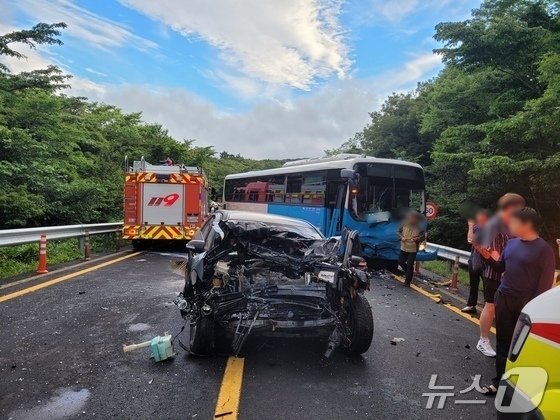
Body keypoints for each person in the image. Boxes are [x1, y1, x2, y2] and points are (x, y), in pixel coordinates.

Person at [475, 207, 555, 395]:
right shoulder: (511, 244)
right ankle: (498, 382)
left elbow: (543, 288)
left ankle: (520, 386)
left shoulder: (544, 250)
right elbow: (500, 266)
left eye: (515, 221)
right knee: (503, 342)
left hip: (526, 303)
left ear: (527, 224)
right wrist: (486, 256)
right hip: (504, 298)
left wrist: (534, 310)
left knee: (522, 346)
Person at [475, 193, 525, 357]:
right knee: (491, 305)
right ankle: (483, 341)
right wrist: (503, 268)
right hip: (495, 272)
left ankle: (509, 343)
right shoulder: (495, 224)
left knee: (509, 308)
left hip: (511, 272)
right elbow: (492, 250)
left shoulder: (512, 224)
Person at [461, 209, 491, 314]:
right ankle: (471, 305)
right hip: (474, 259)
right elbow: (469, 240)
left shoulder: (488, 229)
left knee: (487, 286)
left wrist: (470, 225)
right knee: (473, 284)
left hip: (485, 261)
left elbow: (471, 239)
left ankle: (488, 308)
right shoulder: (477, 227)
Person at [398, 211, 426, 287]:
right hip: (404, 246)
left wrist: (417, 239)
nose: (412, 220)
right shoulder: (403, 224)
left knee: (410, 263)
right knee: (401, 261)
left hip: (413, 248)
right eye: (410, 218)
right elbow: (398, 232)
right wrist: (401, 237)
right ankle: (408, 273)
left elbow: (423, 237)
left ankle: (407, 281)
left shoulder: (419, 227)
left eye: (414, 218)